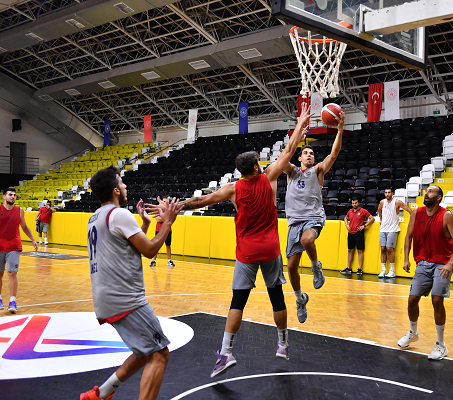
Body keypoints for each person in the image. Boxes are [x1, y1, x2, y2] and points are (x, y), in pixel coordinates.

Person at [149, 103, 312, 378]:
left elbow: (201, 200)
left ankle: (226, 353)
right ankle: (282, 345)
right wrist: (300, 124)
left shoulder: (233, 189)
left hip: (246, 253)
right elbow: (289, 149)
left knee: (238, 302)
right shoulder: (269, 176)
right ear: (257, 166)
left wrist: (176, 207)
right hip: (270, 250)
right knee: (277, 298)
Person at [81, 167, 180, 400]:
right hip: (125, 298)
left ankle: (101, 394)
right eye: (122, 184)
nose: (126, 187)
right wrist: (168, 222)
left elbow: (127, 247)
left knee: (145, 350)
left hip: (106, 298)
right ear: (116, 190)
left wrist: (144, 225)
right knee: (159, 353)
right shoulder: (119, 214)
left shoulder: (94, 217)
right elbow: (149, 250)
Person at [283, 109, 345, 324]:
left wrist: (339, 128)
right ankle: (300, 298)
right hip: (294, 223)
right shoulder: (291, 171)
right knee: (290, 267)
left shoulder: (318, 171)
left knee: (307, 240)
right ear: (299, 157)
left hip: (313, 218)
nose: (310, 155)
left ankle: (316, 266)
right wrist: (296, 138)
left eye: (312, 153)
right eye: (306, 153)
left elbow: (333, 154)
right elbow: (283, 158)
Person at [397, 186, 453, 361]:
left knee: (436, 299)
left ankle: (441, 345)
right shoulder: (416, 213)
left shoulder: (446, 215)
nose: (426, 193)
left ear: (439, 198)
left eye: (431, 192)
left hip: (442, 263)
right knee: (412, 299)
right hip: (423, 262)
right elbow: (408, 236)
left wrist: (450, 264)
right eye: (426, 191)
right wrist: (406, 259)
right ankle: (413, 332)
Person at [0, 187, 38, 314]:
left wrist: (33, 239)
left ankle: (12, 301)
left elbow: (24, 226)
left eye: (14, 195)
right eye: (10, 194)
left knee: (12, 273)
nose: (12, 197)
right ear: (4, 197)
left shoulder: (20, 211)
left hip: (14, 246)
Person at [377, 188, 411, 279]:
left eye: (389, 192)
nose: (387, 194)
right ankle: (383, 269)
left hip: (393, 229)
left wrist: (414, 220)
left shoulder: (397, 202)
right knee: (383, 248)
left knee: (389, 248)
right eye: (386, 192)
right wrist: (381, 219)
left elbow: (409, 210)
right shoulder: (382, 202)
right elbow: (379, 210)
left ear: (392, 193)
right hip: (383, 228)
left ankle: (392, 271)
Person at [339, 198, 375, 276]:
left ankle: (360, 269)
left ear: (358, 203)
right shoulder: (350, 211)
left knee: (360, 251)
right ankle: (349, 268)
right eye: (353, 203)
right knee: (350, 250)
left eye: (355, 203)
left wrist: (364, 226)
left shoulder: (363, 211)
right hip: (351, 233)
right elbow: (345, 218)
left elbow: (372, 219)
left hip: (359, 232)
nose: (354, 204)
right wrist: (346, 225)